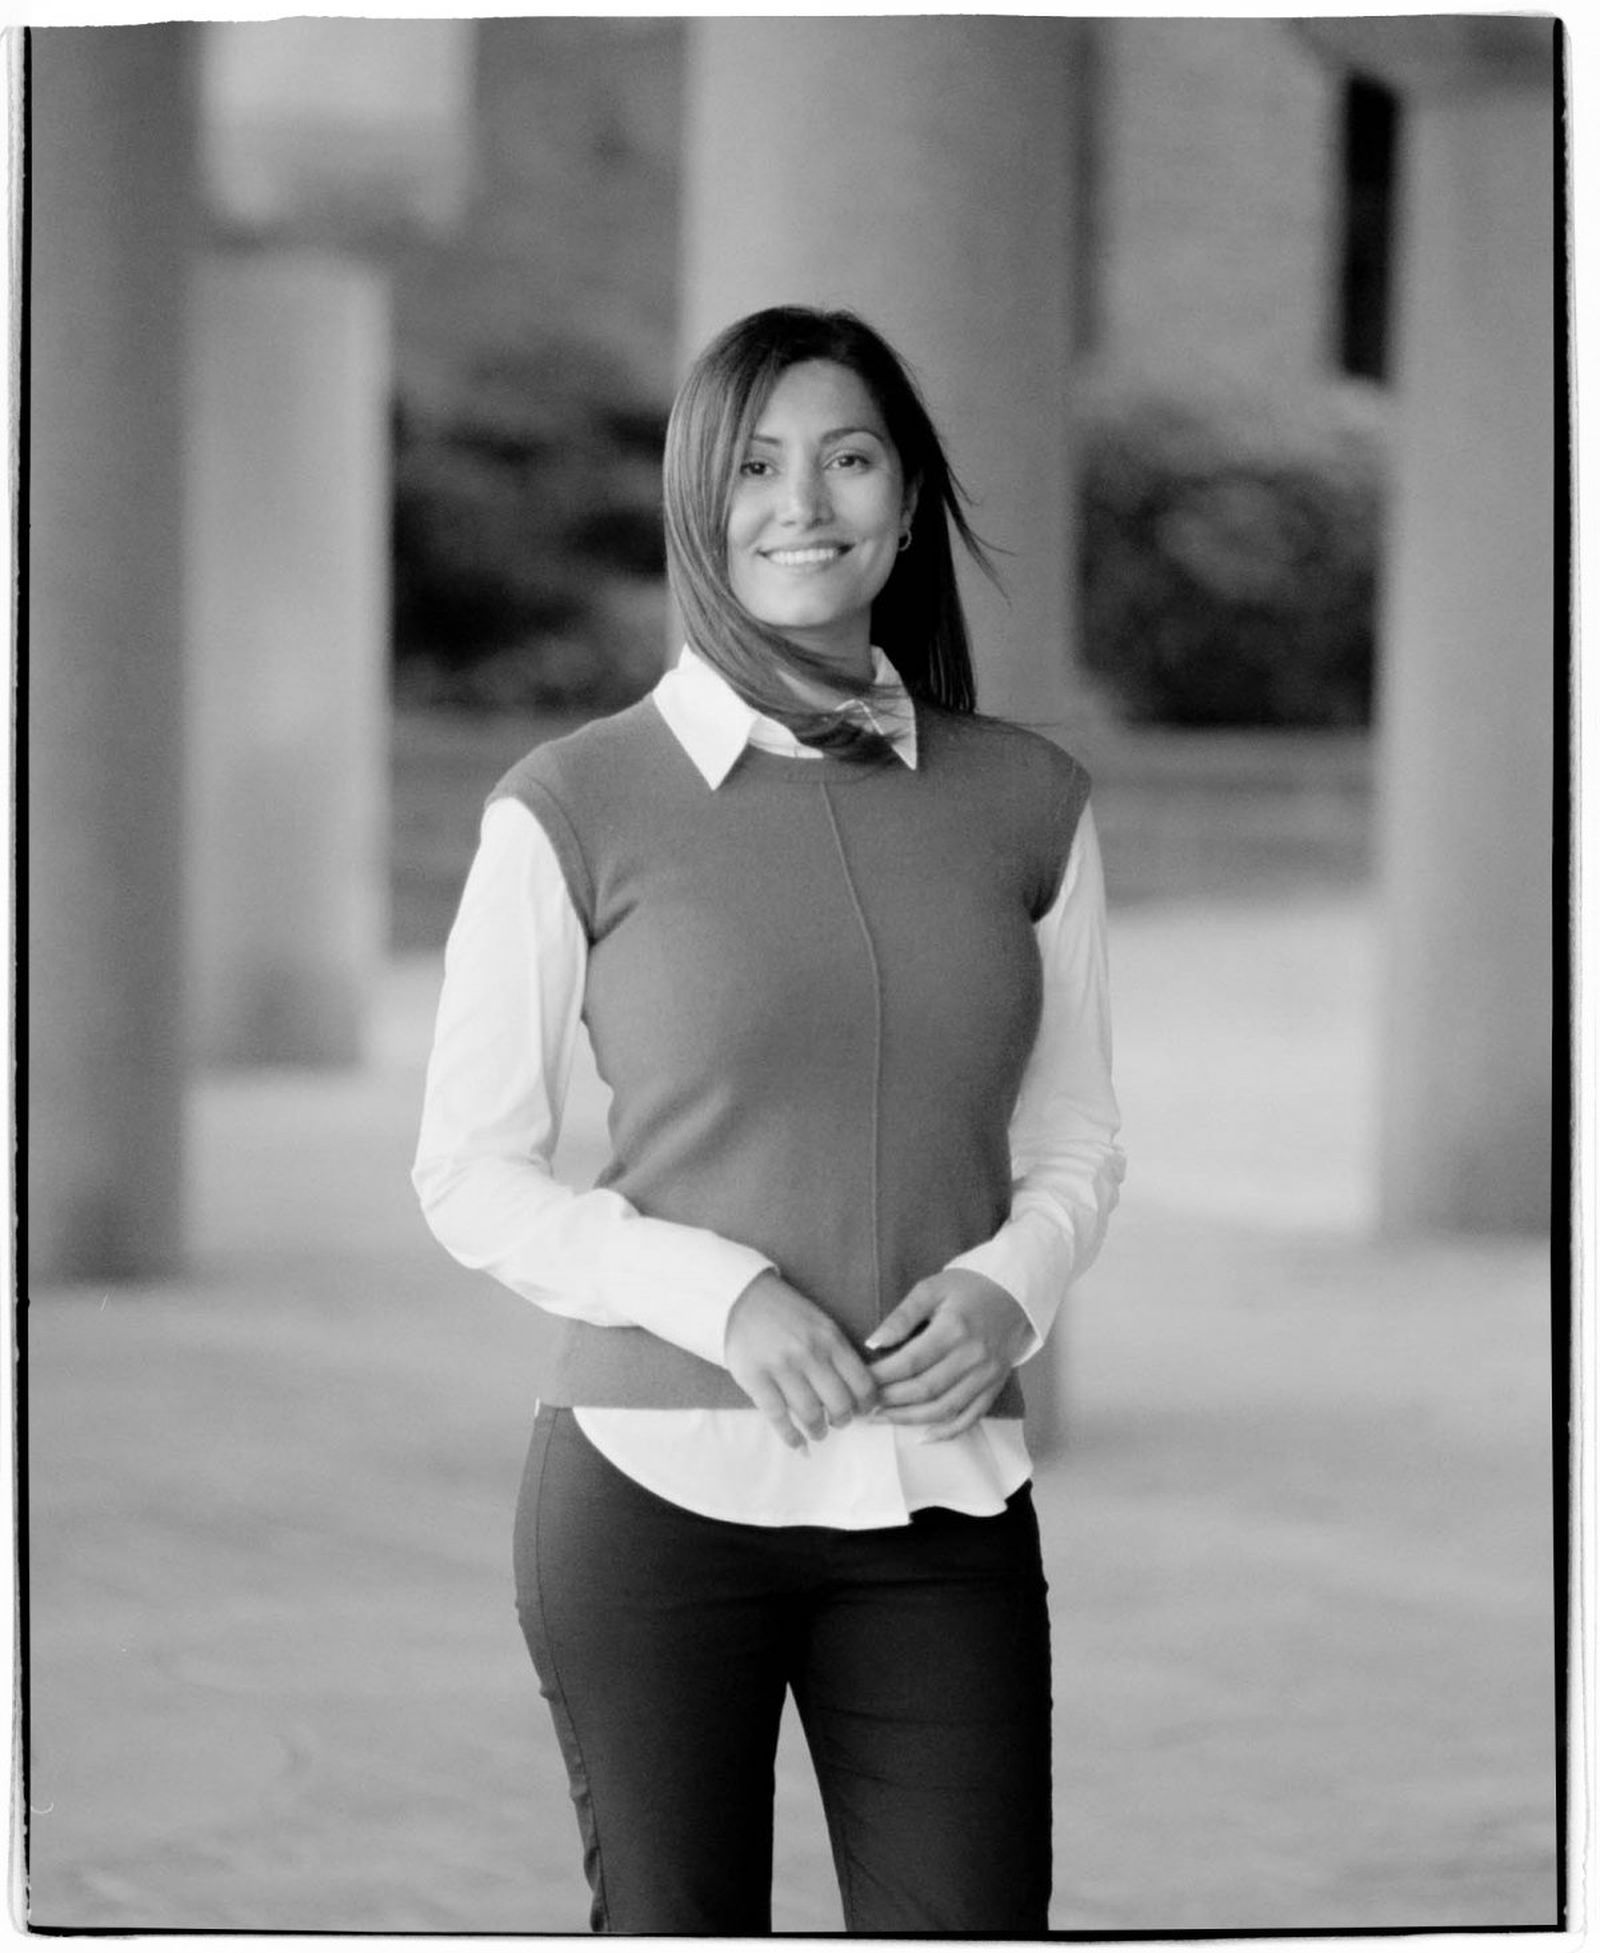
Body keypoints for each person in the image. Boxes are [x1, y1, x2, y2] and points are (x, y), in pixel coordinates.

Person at [412, 304, 1125, 1936]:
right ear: (698, 502)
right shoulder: (570, 803)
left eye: (850, 456)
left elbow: (1079, 1135)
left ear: (907, 493)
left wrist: (1018, 1279)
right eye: (756, 462)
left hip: (942, 1498)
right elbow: (469, 1169)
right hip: (647, 1499)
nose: (804, 501)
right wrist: (717, 1295)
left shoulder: (1030, 800)